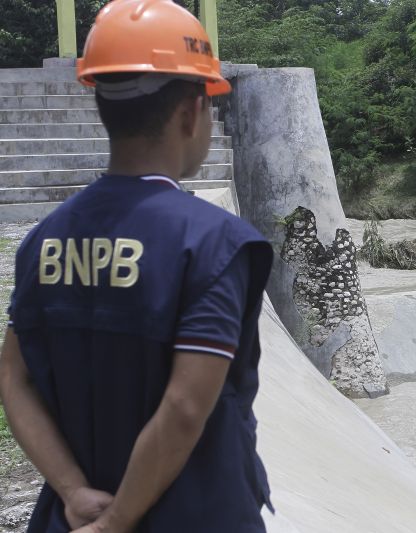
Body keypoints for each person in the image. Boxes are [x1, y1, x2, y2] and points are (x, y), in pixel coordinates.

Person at [0, 0, 274, 531]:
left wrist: (74, 492)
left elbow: (13, 379)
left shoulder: (42, 241)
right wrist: (117, 520)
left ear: (102, 104)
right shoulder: (213, 242)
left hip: (71, 518)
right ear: (192, 111)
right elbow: (186, 407)